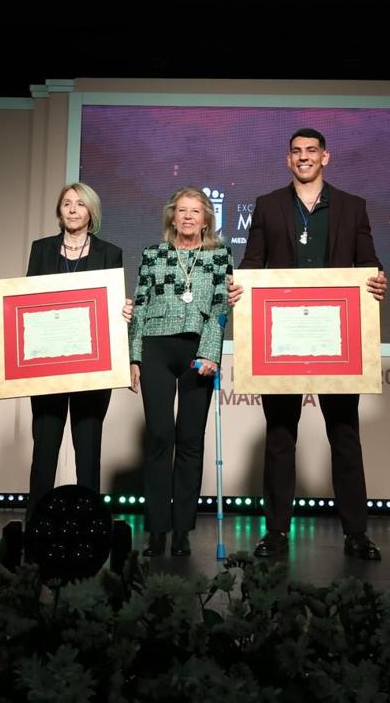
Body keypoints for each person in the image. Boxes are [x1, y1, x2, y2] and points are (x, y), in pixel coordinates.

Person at [229, 128, 388, 561]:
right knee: (280, 437)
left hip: (337, 340)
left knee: (344, 436)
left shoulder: (352, 206)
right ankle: (276, 533)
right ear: (288, 160)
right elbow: (252, 263)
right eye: (296, 152)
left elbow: (369, 264)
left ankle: (356, 533)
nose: (303, 158)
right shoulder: (267, 205)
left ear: (325, 158)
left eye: (311, 151)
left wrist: (377, 279)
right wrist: (239, 287)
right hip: (281, 340)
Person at [0, 183, 124, 521]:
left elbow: (110, 308)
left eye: (80, 204)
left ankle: (90, 525)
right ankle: (35, 526)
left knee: (88, 453)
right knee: (44, 450)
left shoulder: (109, 253)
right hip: (46, 371)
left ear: (91, 213)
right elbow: (26, 302)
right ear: (59, 211)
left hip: (91, 371)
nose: (73, 209)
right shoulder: (41, 249)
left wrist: (122, 310)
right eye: (67, 204)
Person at [128, 187, 232, 557]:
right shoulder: (154, 254)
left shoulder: (219, 255)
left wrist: (210, 353)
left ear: (207, 218)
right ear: (172, 216)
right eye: (182, 211)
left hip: (197, 350)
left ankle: (182, 530)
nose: (188, 217)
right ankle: (157, 529)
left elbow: (221, 306)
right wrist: (134, 357)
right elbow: (139, 305)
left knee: (190, 440)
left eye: (196, 211)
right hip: (156, 345)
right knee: (159, 437)